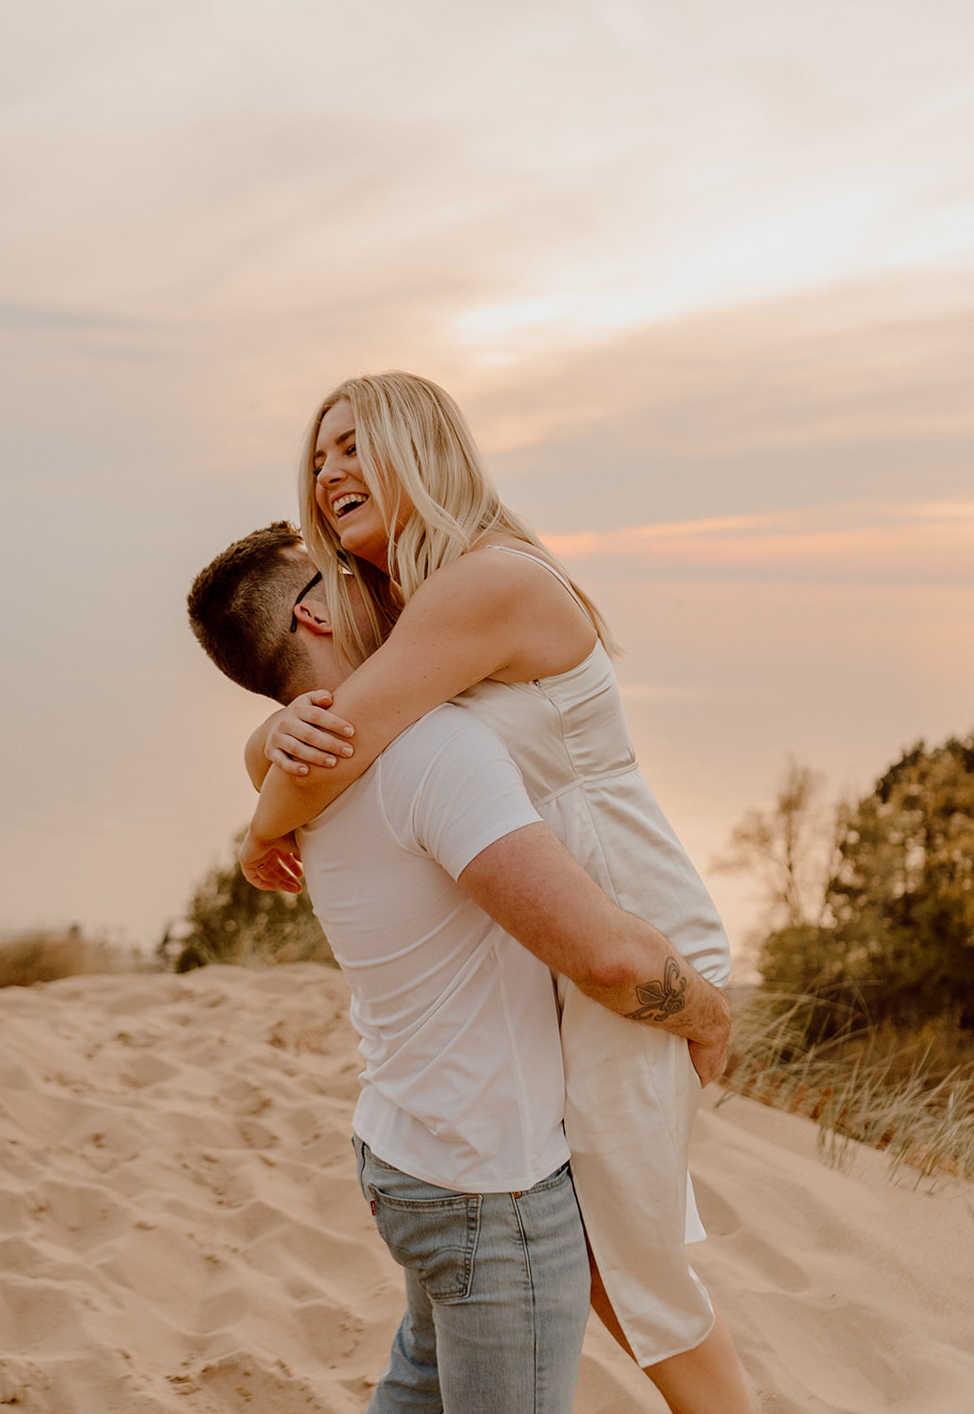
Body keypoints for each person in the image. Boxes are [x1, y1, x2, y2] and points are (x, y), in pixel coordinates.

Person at [237, 374, 754, 1414]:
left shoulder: (482, 583)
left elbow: (341, 744)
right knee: (601, 1251)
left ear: (422, 448)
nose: (330, 470)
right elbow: (329, 729)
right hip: (570, 922)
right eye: (320, 457)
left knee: (625, 1262)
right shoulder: (418, 598)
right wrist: (268, 740)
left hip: (628, 927)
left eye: (354, 445)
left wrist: (258, 830)